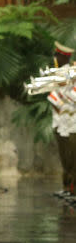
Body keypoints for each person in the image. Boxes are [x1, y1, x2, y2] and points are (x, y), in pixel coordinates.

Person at [48, 41, 76, 202]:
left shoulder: (71, 74)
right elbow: (54, 96)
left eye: (58, 55)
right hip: (62, 123)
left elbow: (72, 97)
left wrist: (65, 97)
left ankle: (73, 191)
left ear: (64, 57)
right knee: (66, 159)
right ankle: (68, 188)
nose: (55, 57)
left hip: (72, 123)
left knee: (73, 159)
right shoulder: (60, 73)